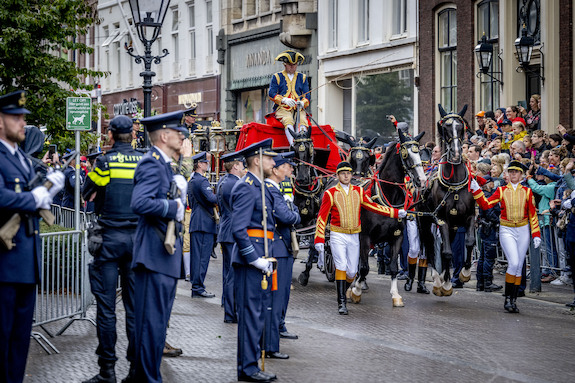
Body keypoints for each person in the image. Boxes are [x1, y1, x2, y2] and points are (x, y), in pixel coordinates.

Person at [0, 90, 65, 383]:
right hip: (4, 265)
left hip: (26, 266)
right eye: (16, 117)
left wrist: (48, 191)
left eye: (23, 117)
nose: (22, 123)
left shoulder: (23, 160)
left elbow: (32, 198)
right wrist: (32, 199)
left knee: (19, 344)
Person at [81, 115, 144, 383]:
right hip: (136, 241)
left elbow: (87, 192)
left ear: (109, 135)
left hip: (108, 240)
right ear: (133, 133)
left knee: (106, 308)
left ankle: (107, 371)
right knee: (134, 309)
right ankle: (134, 370)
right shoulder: (143, 160)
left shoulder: (105, 162)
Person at [130, 110, 188, 382]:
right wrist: (173, 206)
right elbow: (140, 203)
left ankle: (143, 376)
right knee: (151, 325)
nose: (182, 136)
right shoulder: (151, 163)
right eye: (178, 132)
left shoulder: (165, 165)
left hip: (162, 255)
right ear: (164, 136)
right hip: (153, 254)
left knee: (156, 325)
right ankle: (147, 378)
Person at [314, 161, 407, 315]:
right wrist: (319, 239)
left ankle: (343, 289)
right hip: (338, 234)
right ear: (338, 176)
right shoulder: (330, 193)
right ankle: (341, 302)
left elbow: (373, 207)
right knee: (342, 266)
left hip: (354, 235)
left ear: (351, 175)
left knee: (352, 272)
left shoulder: (358, 191)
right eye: (343, 173)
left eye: (348, 173)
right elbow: (322, 217)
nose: (346, 176)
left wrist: (395, 213)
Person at [230, 138, 278, 383]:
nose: (274, 161)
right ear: (258, 161)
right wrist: (255, 259)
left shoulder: (257, 186)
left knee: (257, 314)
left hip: (260, 256)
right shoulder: (247, 187)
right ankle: (248, 369)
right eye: (270, 158)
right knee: (251, 315)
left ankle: (250, 367)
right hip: (251, 260)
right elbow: (239, 229)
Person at [471, 160, 541, 313]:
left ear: (521, 175)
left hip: (523, 229)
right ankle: (508, 299)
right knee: (514, 262)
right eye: (511, 171)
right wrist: (477, 190)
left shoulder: (527, 192)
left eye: (516, 172)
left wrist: (536, 234)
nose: (513, 174)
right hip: (507, 229)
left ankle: (513, 300)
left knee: (518, 265)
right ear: (508, 174)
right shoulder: (501, 190)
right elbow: (486, 204)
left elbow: (532, 214)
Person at [264, 151, 300, 360]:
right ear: (276, 169)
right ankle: (274, 334)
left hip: (281, 246)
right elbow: (288, 216)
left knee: (283, 292)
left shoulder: (279, 188)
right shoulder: (271, 189)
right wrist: (293, 213)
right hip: (278, 246)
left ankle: (279, 326)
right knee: (278, 294)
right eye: (287, 166)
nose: (291, 169)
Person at [216, 151, 245, 323]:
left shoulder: (224, 181)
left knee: (228, 273)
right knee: (233, 274)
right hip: (232, 232)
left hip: (226, 230)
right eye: (241, 165)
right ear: (235, 166)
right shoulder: (235, 184)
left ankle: (227, 304)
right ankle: (231, 311)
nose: (243, 168)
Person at [188, 151, 218, 298]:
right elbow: (212, 199)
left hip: (197, 221)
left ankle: (196, 286)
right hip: (204, 223)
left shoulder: (192, 180)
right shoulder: (202, 181)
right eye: (205, 162)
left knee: (197, 257)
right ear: (199, 164)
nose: (207, 164)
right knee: (202, 258)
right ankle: (198, 287)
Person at [268, 49, 310, 146]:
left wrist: (303, 102)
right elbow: (271, 93)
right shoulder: (277, 76)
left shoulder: (302, 77)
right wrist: (283, 99)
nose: (293, 67)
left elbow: (307, 94)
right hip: (283, 108)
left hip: (298, 107)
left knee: (303, 120)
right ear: (285, 64)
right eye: (291, 65)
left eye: (295, 65)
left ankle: (302, 143)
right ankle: (293, 144)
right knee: (288, 119)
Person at [475, 176, 503, 292]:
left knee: (483, 257)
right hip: (489, 227)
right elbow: (489, 211)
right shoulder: (487, 195)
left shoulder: (483, 195)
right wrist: (498, 220)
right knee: (488, 257)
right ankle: (487, 282)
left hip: (486, 227)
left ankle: (481, 283)